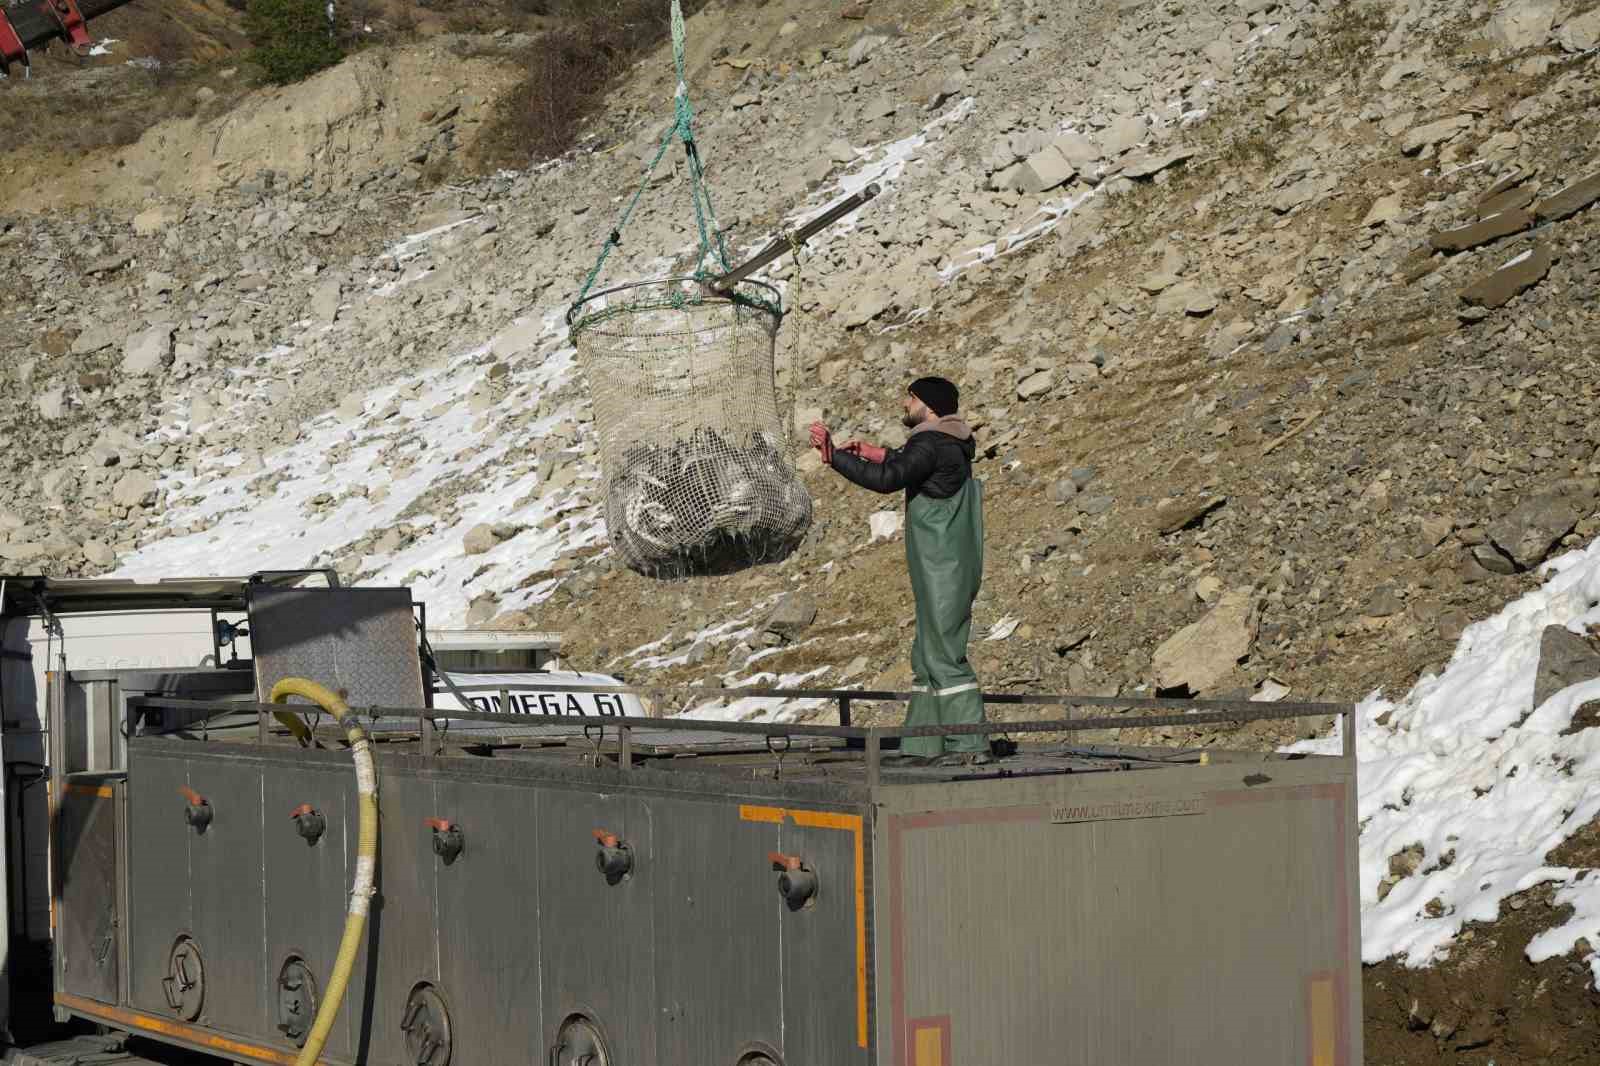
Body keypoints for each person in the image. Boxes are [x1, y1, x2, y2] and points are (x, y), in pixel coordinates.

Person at [809, 376, 991, 767]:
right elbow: (911, 467)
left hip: (942, 564)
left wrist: (833, 456)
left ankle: (969, 744)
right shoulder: (948, 441)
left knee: (943, 652)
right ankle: (925, 744)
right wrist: (880, 453)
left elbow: (890, 480)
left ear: (929, 403)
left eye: (911, 396)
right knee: (927, 654)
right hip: (944, 562)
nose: (905, 403)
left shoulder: (931, 442)